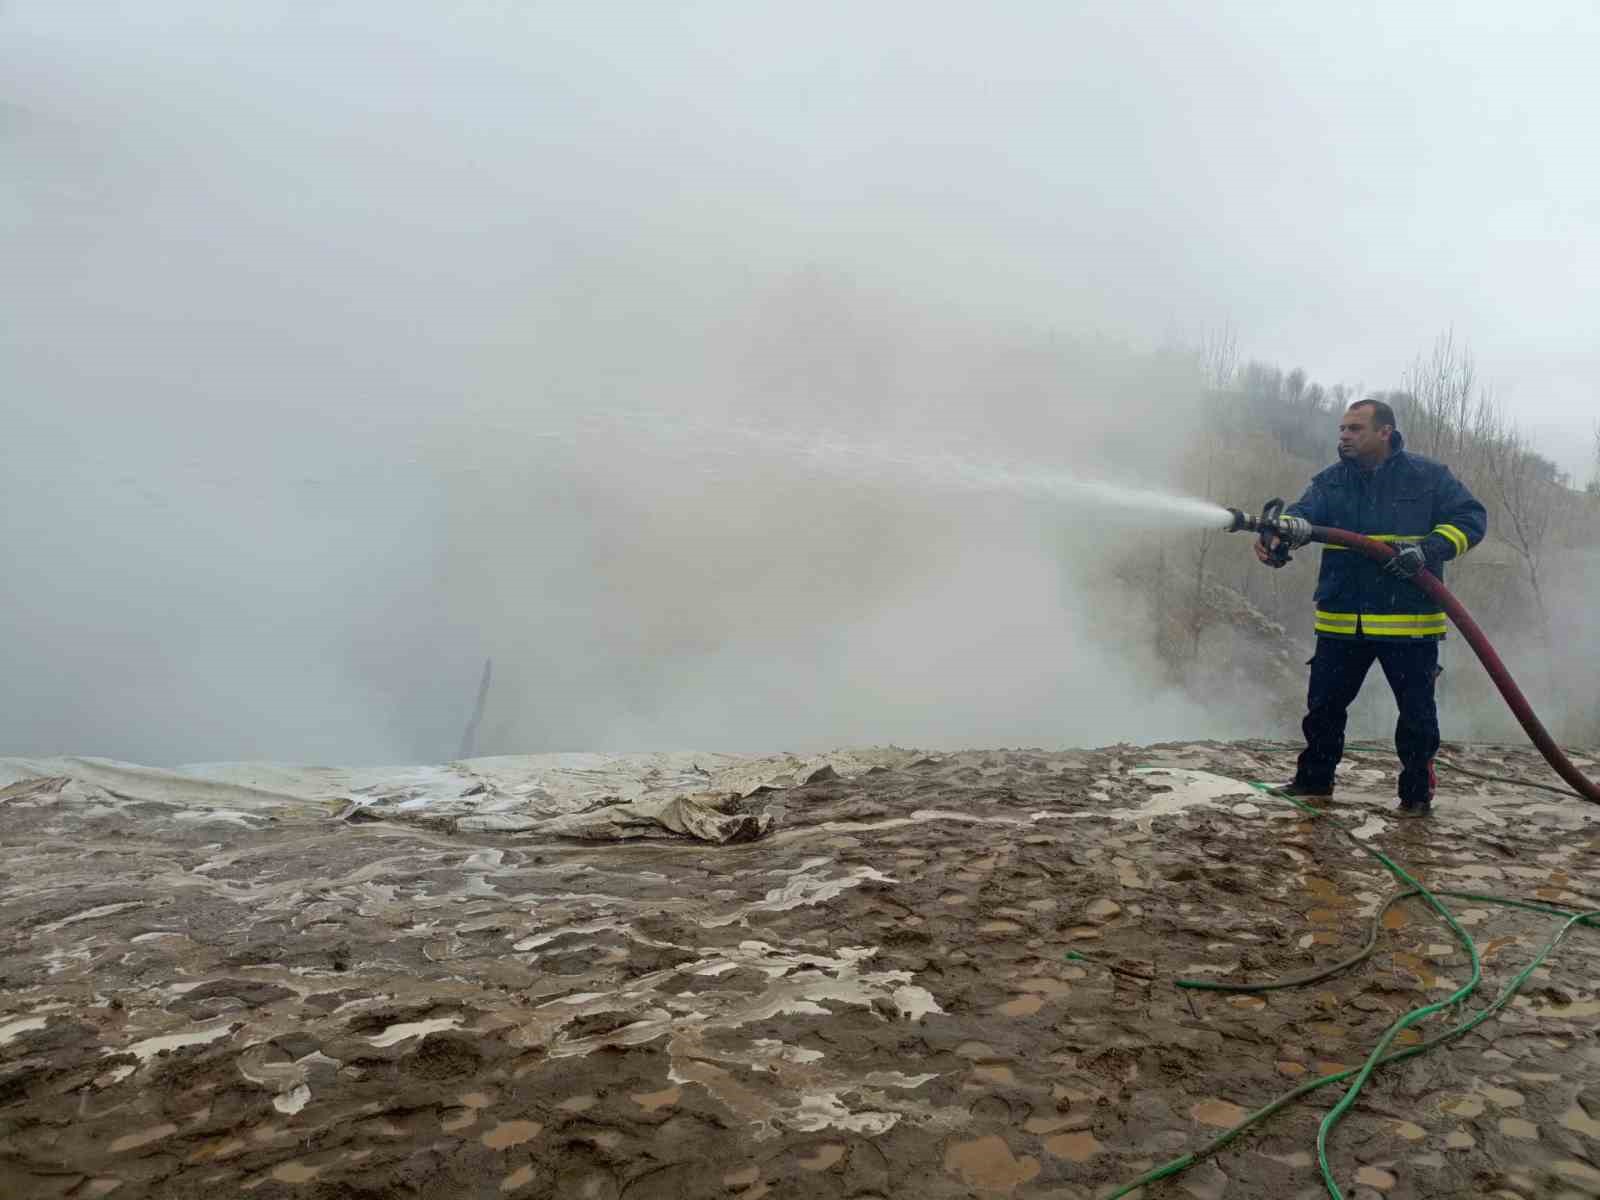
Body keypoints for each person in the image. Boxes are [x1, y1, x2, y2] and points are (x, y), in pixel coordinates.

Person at [1255, 397, 1487, 817]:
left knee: (1416, 717)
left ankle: (1416, 796)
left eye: (1355, 428)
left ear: (1385, 431)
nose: (1344, 435)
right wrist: (1279, 536)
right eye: (1342, 428)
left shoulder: (1428, 478)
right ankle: (1314, 782)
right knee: (1323, 709)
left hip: (1408, 622)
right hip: (1343, 620)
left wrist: (1430, 548)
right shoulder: (1331, 481)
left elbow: (1471, 519)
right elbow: (1305, 514)